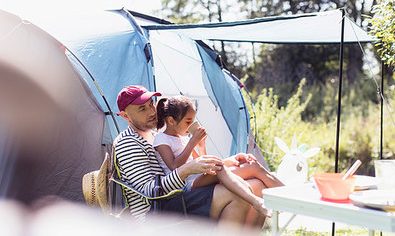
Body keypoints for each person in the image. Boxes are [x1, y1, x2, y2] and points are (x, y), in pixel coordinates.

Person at [113, 85, 267, 226]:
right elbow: (148, 192)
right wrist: (186, 170)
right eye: (142, 109)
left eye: (151, 105)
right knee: (236, 195)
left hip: (177, 195)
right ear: (126, 116)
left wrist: (228, 161)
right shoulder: (128, 143)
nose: (152, 112)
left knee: (256, 186)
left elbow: (188, 164)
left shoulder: (155, 135)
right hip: (156, 211)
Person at [153, 96, 284, 217]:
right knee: (219, 168)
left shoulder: (183, 138)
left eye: (193, 121)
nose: (191, 125)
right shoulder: (161, 139)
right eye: (188, 122)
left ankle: (290, 195)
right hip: (184, 186)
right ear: (171, 120)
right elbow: (174, 166)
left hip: (197, 178)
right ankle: (256, 201)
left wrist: (201, 146)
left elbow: (202, 161)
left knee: (251, 165)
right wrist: (192, 143)